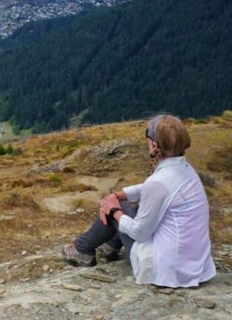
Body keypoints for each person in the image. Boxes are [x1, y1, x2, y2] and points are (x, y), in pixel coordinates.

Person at [61, 114, 215, 288]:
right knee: (127, 203)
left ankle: (83, 250)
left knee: (121, 209)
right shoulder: (186, 170)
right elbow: (155, 190)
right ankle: (110, 245)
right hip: (192, 264)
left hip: (166, 269)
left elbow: (140, 233)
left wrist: (114, 210)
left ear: (154, 144)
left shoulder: (158, 182)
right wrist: (120, 194)